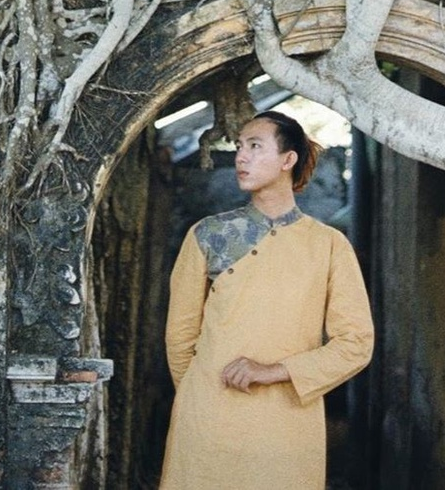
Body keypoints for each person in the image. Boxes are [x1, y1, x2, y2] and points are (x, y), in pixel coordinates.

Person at [159, 109, 374, 490]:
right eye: (240, 146)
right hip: (208, 422)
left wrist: (275, 371)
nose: (241, 156)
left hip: (287, 425)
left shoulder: (328, 246)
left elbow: (355, 344)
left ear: (287, 160)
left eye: (255, 146)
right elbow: (180, 336)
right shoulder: (208, 235)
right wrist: (202, 397)